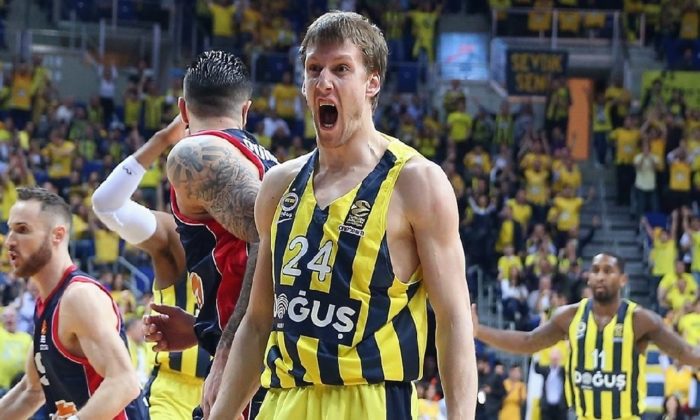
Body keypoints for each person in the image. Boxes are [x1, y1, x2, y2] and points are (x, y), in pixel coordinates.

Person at [210, 11, 477, 420]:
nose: (324, 82)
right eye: (313, 69)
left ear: (372, 83)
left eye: (341, 69)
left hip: (369, 401)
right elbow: (259, 321)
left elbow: (454, 319)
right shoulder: (279, 186)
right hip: (284, 400)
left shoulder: (416, 183)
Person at [142, 50, 278, 418]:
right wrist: (202, 330)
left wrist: (227, 349)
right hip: (268, 356)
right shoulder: (267, 161)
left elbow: (271, 236)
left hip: (250, 366)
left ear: (183, 110)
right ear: (245, 111)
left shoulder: (195, 153)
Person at [472, 252, 700, 419]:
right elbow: (528, 341)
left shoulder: (640, 320)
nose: (600, 276)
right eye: (596, 270)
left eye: (608, 271)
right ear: (588, 278)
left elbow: (687, 352)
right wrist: (479, 331)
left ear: (623, 279)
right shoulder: (570, 316)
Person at [91, 116, 211, 420]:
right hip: (172, 393)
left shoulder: (257, 230)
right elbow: (107, 205)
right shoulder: (174, 233)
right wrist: (162, 140)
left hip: (237, 390)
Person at [0, 187, 148, 419]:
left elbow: (124, 382)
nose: (10, 241)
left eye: (22, 230)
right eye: (10, 229)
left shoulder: (79, 296)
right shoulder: (47, 303)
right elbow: (31, 391)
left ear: (57, 235)